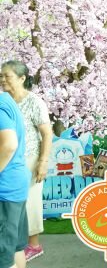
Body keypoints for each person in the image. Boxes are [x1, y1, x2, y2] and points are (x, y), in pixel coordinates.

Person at [0, 61, 52, 262]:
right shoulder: (7, 101)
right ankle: (20, 247)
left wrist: (43, 161)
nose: (3, 80)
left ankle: (34, 244)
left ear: (22, 78)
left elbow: (47, 133)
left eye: (7, 76)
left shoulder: (34, 102)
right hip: (12, 159)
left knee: (30, 203)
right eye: (1, 76)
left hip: (29, 158)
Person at [0, 91, 31, 268]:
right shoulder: (7, 101)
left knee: (3, 256)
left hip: (4, 189)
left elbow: (9, 145)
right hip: (16, 185)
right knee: (15, 247)